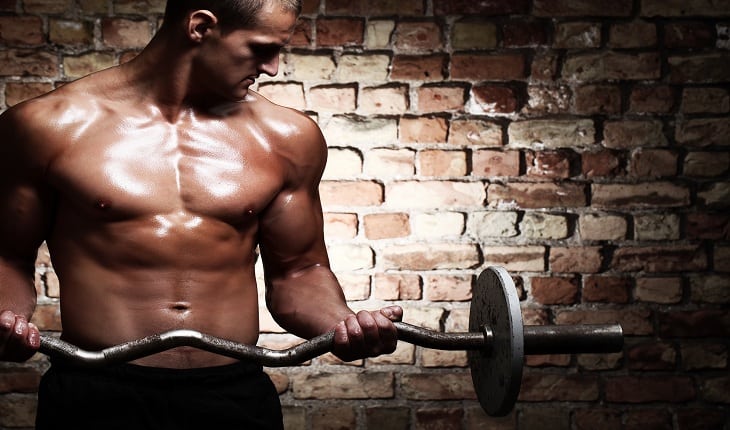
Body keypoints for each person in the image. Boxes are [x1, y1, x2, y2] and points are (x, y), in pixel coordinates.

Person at [0, 0, 402, 428]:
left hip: (232, 392)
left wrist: (344, 325)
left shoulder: (287, 136)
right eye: (262, 48)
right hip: (94, 390)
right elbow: (8, 255)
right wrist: (7, 319)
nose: (273, 68)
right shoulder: (47, 127)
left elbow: (299, 273)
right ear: (200, 27)